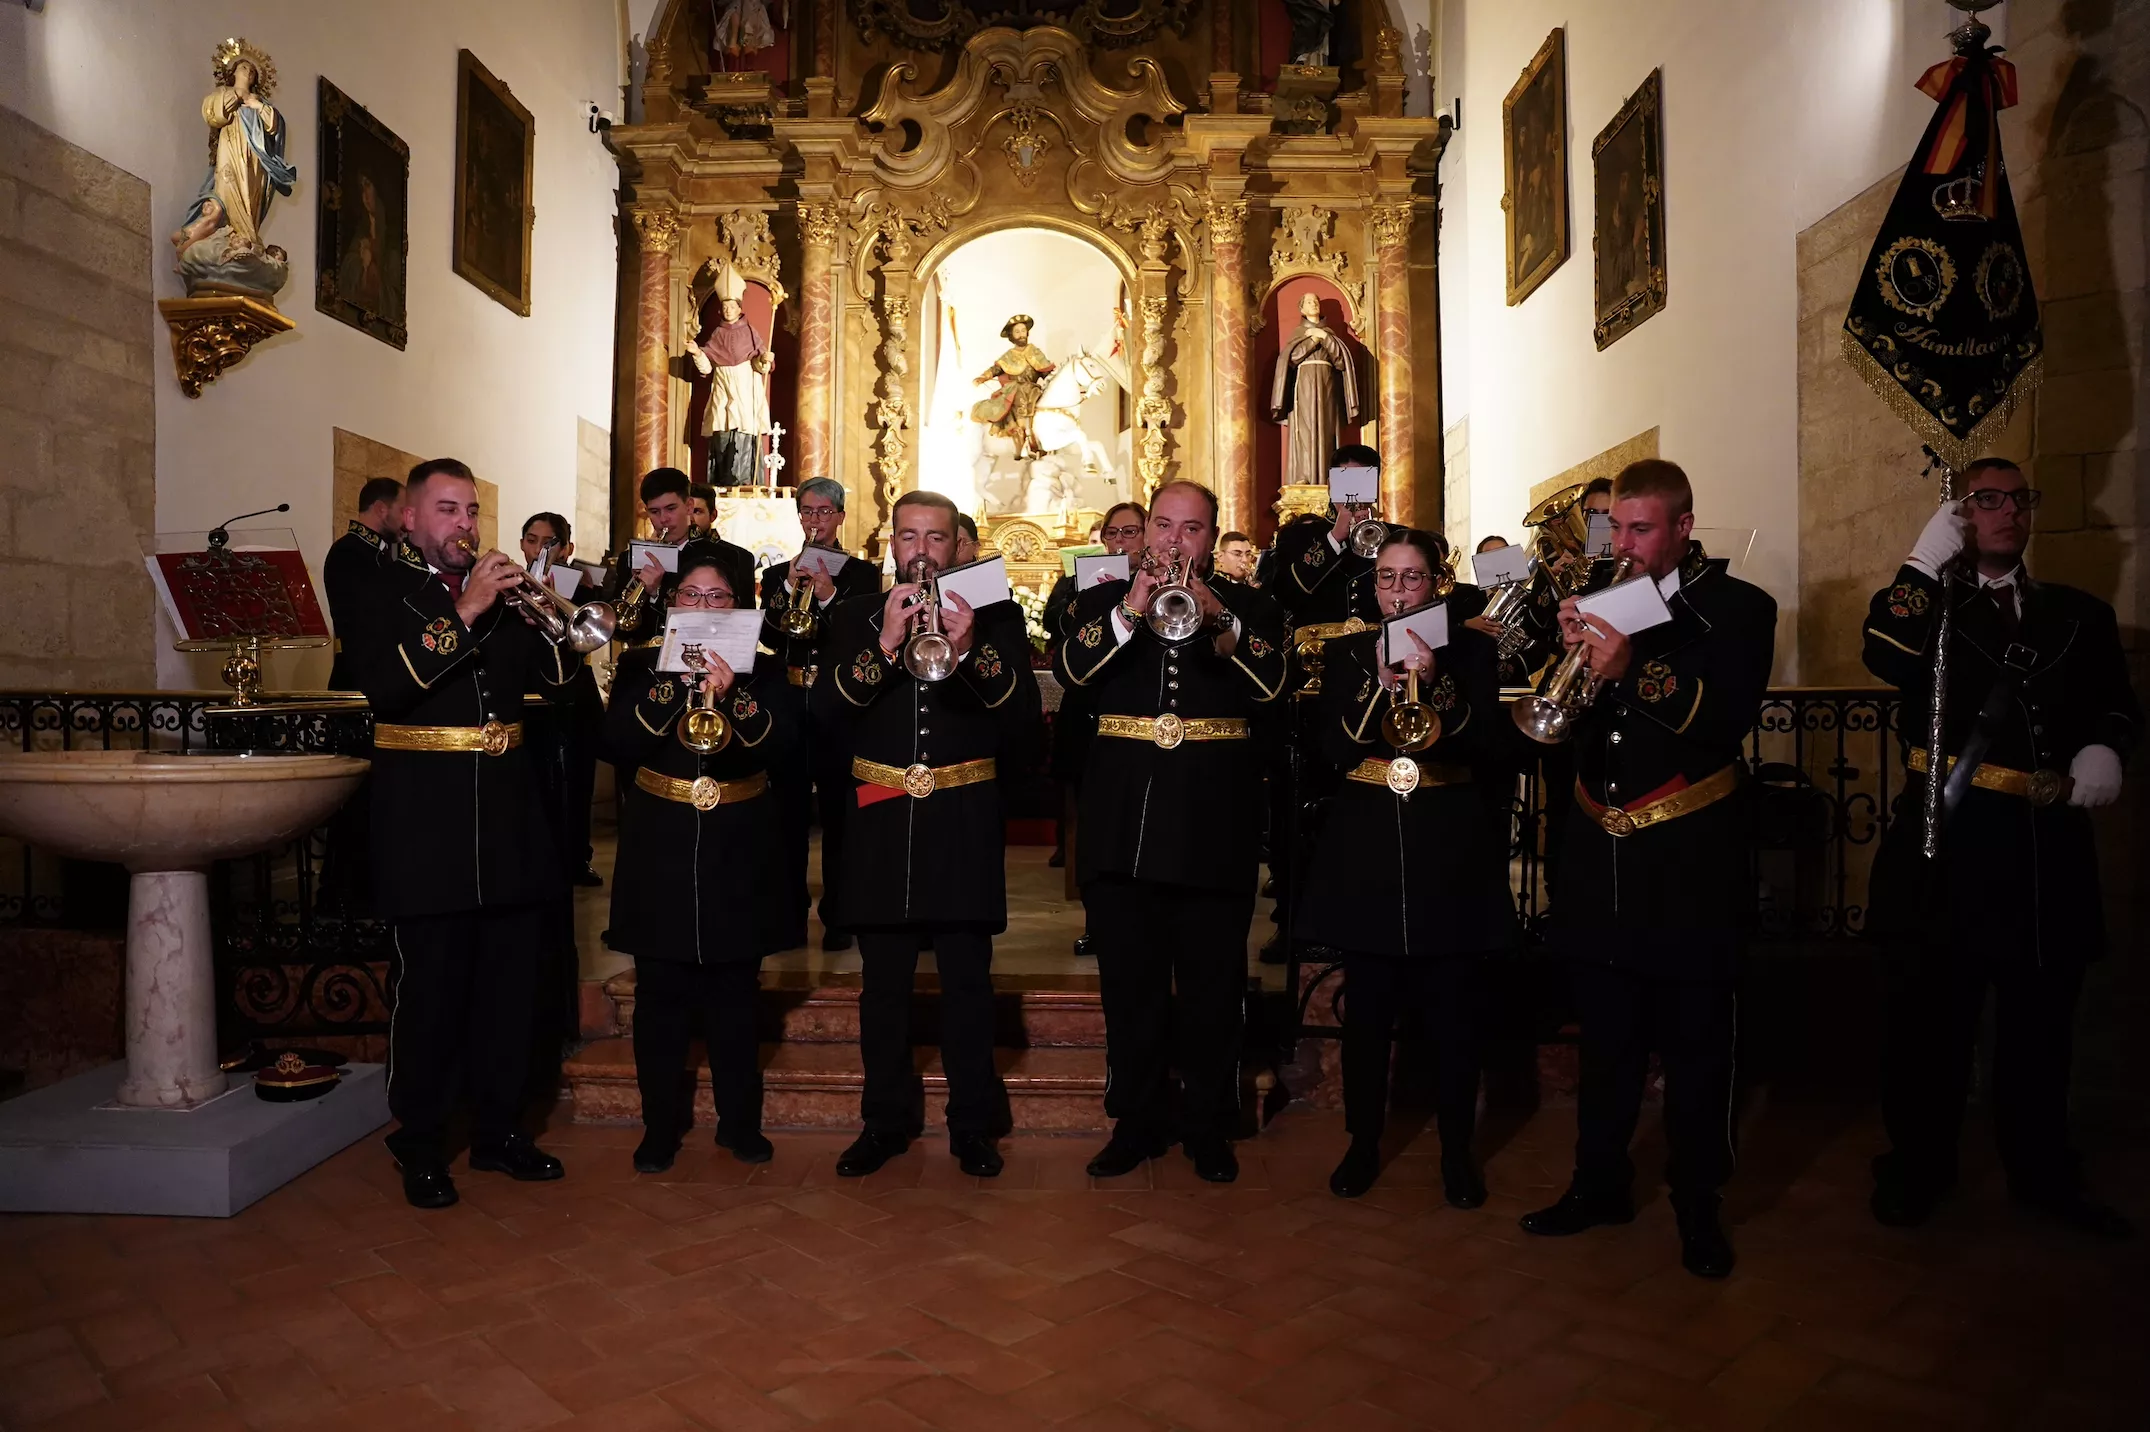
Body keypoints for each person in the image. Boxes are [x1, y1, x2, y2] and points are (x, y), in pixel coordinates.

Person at [1862, 458, 2138, 1239]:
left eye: (2019, 500)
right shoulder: (1931, 610)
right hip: (1947, 844)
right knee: (1930, 1026)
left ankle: (2043, 1171)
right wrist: (1919, 563)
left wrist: (2106, 748)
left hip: (2045, 850)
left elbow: (2115, 706)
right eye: (1987, 500)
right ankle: (1917, 1167)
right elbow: (1884, 653)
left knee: (2040, 1028)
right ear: (1960, 515)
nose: (2007, 513)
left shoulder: (2079, 613)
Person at [1517, 459, 1777, 1280]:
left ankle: (1698, 1203)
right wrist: (1564, 658)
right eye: (1614, 530)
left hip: (1688, 861)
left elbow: (1724, 717)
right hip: (1603, 854)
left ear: (1682, 528)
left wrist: (1632, 667)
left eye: (1639, 530)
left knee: (1700, 1047)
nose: (1621, 545)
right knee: (1608, 1042)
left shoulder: (1739, 608)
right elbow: (1577, 732)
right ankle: (1599, 1183)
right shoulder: (1599, 602)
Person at [341, 458, 583, 1209]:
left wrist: (550, 620)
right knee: (432, 993)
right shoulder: (378, 587)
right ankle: (420, 1142)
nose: (465, 525)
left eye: (472, 511)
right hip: (425, 825)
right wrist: (468, 611)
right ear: (409, 518)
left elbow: (568, 690)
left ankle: (501, 1132)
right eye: (447, 510)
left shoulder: (506, 597)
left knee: (510, 988)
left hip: (508, 822)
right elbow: (384, 689)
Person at [1058, 481, 1287, 1183]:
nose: (1174, 541)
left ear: (1212, 540)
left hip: (1214, 823)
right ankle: (1135, 1119)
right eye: (1164, 525)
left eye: (1192, 530)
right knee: (1131, 988)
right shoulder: (1101, 603)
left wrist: (1223, 619)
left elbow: (1273, 686)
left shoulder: (1250, 606)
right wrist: (1131, 608)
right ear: (1146, 527)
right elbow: (1073, 672)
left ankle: (1209, 1123)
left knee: (1215, 986)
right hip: (1123, 825)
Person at [810, 491, 1042, 1178]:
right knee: (882, 989)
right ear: (890, 545)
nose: (921, 551)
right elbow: (825, 716)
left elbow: (1022, 720)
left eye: (935, 539)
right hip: (880, 814)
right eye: (908, 537)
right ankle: (884, 1121)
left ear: (958, 547)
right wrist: (883, 644)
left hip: (962, 820)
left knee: (968, 986)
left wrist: (970, 649)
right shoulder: (855, 614)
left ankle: (973, 1124)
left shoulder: (996, 615)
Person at [1298, 529, 1518, 1203]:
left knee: (1454, 1018)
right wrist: (1380, 685)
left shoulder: (1475, 648)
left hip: (1447, 850)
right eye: (1386, 579)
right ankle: (1363, 1145)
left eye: (1411, 579)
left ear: (1436, 585)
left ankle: (1457, 1153)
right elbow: (1331, 753)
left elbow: (1491, 747)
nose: (1397, 592)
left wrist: (1437, 681)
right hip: (1367, 851)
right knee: (1366, 1017)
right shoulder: (1345, 652)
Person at [605, 555, 781, 1173]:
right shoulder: (638, 662)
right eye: (691, 596)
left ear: (738, 606)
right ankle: (660, 1127)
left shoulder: (766, 666)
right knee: (660, 996)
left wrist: (733, 695)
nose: (704, 608)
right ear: (674, 604)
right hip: (661, 844)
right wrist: (673, 680)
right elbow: (619, 743)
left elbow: (784, 748)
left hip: (738, 844)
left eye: (717, 598)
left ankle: (740, 1124)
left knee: (736, 995)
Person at [1262, 443, 1388, 964]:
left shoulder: (1395, 540)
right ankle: (1294, 922)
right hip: (1309, 690)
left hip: (1370, 686)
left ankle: (1363, 918)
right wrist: (1338, 534)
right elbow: (1283, 593)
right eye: (1346, 484)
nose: (1356, 496)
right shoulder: (1301, 537)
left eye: (1365, 484)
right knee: (1299, 808)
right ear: (1333, 486)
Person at [758, 478, 883, 951]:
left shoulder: (863, 575)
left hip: (838, 705)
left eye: (824, 512)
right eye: (807, 512)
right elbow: (770, 637)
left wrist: (830, 596)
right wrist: (789, 587)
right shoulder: (777, 575)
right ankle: (789, 913)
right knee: (786, 816)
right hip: (789, 704)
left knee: (841, 814)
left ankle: (839, 916)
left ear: (841, 517)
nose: (815, 521)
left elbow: (861, 640)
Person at [1042, 501, 1145, 932]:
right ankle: (1096, 922)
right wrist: (1083, 593)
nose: (1118, 542)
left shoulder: (1159, 585)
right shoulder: (1078, 582)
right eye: (1111, 534)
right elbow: (1054, 625)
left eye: (1129, 533)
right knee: (1093, 827)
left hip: (1137, 722)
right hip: (1087, 717)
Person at [518, 513, 605, 889]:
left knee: (577, 780)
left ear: (567, 548)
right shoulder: (506, 587)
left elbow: (592, 633)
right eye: (532, 540)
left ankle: (575, 857)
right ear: (522, 544)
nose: (539, 549)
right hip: (528, 694)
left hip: (574, 695)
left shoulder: (583, 591)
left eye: (549, 543)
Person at [609, 468, 754, 643]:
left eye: (671, 508)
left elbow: (741, 629)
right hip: (645, 665)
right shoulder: (630, 559)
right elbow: (621, 631)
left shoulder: (728, 557)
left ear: (689, 506)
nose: (663, 519)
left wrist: (657, 593)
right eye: (654, 512)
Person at [325, 478, 403, 690]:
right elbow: (385, 608)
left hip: (385, 670)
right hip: (358, 675)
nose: (406, 519)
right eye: (402, 510)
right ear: (381, 509)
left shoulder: (388, 550)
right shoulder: (348, 551)